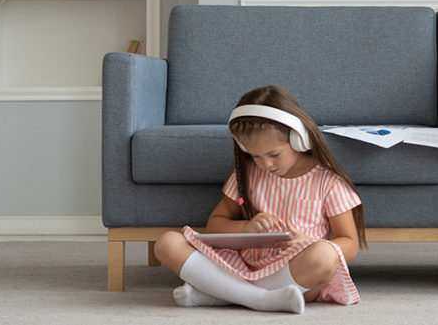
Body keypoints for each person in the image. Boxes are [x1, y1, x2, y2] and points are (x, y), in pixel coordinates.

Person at [153, 84, 366, 313]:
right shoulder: (247, 175)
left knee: (324, 256)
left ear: (299, 140)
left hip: (294, 272)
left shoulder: (329, 183)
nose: (265, 164)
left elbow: (350, 243)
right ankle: (258, 298)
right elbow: (215, 223)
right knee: (168, 243)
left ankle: (221, 293)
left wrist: (310, 243)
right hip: (242, 266)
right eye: (255, 155)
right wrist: (247, 227)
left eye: (274, 154)